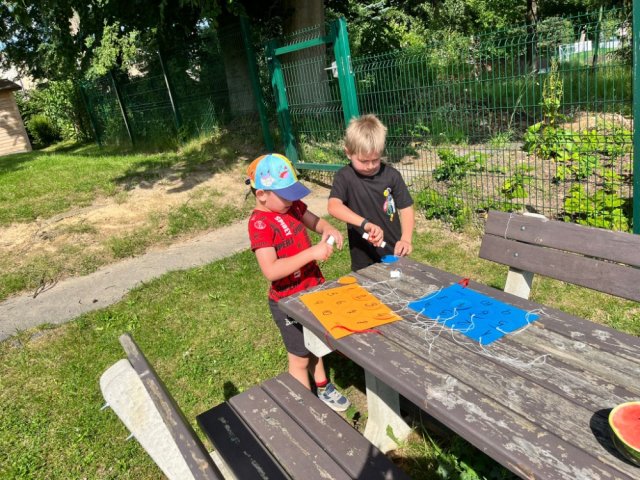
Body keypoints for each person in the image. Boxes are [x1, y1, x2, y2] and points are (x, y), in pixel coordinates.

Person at [246, 153, 351, 412]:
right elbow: (271, 270)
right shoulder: (259, 224)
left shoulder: (290, 206)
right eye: (286, 195)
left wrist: (328, 228)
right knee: (300, 359)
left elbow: (315, 221)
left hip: (312, 290)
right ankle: (307, 409)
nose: (292, 200)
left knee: (317, 344)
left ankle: (323, 385)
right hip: (287, 303)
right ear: (262, 195)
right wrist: (311, 253)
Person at [328, 114, 415, 271]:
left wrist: (406, 239)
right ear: (348, 152)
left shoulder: (392, 175)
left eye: (375, 160)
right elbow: (333, 206)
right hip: (362, 255)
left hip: (393, 251)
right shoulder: (344, 177)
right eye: (363, 161)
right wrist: (365, 224)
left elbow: (406, 208)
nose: (370, 166)